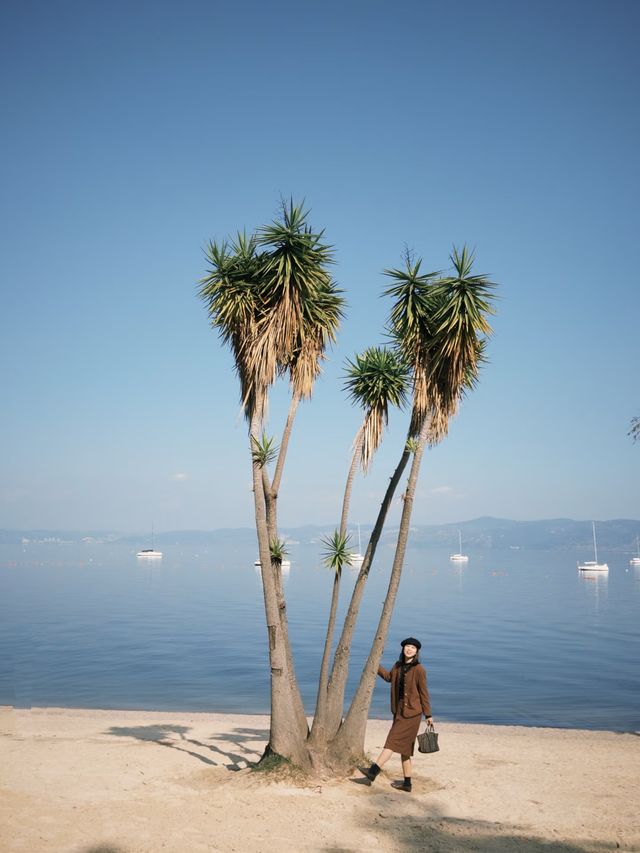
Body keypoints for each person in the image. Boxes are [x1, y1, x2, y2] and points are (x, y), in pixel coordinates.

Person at [362, 636, 434, 793]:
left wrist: (428, 715)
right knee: (405, 751)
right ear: (403, 649)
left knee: (391, 742)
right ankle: (407, 784)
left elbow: (424, 693)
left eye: (413, 648)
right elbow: (388, 678)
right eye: (407, 646)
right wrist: (374, 665)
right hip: (399, 711)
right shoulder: (398, 665)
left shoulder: (419, 670)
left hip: (412, 714)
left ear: (417, 652)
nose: (409, 649)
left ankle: (373, 771)